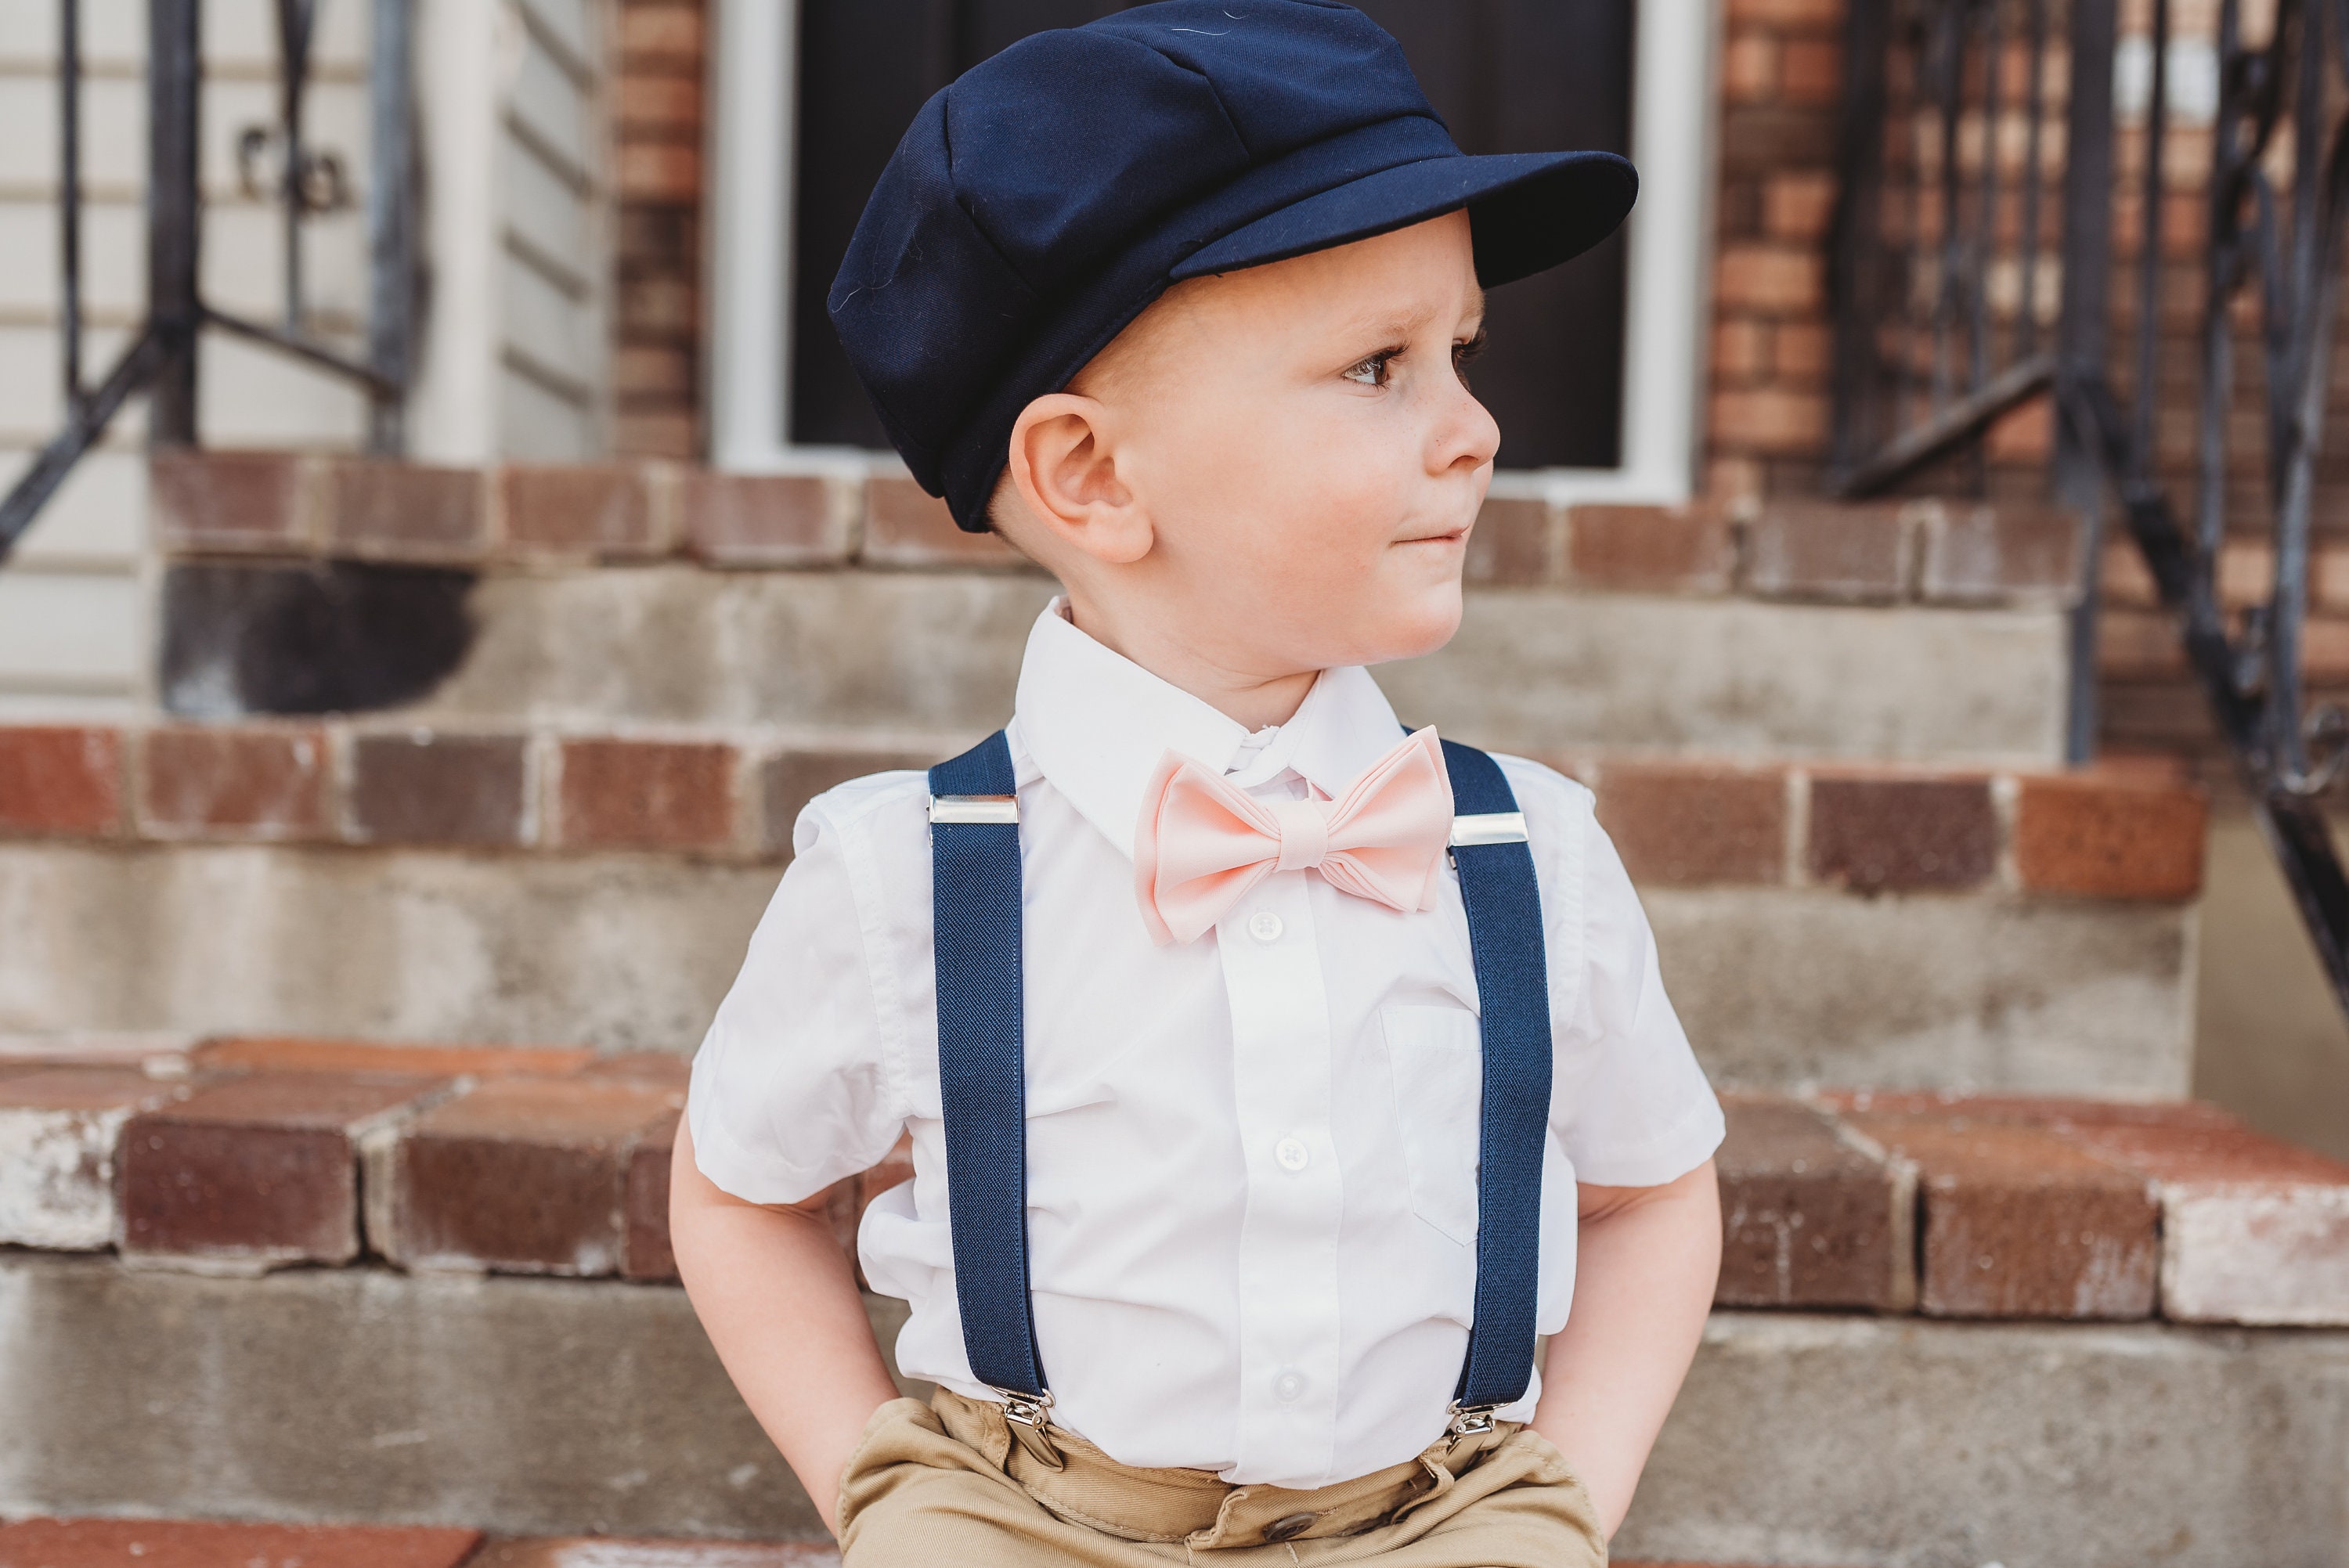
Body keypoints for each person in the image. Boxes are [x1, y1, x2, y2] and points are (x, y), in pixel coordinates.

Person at [670, 4, 1725, 1561]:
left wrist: (1560, 1508)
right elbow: (742, 1193)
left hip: (1436, 1519)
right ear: (1091, 475)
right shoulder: (904, 872)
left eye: (1462, 354)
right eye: (1380, 366)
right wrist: (890, 1500)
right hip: (1031, 1520)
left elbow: (1652, 1196)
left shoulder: (1529, 854)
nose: (1476, 431)